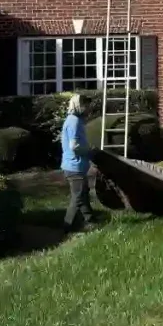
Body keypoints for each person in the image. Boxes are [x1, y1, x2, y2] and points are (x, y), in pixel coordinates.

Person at [61, 93, 95, 231]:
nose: (87, 108)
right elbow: (74, 146)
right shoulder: (73, 121)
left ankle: (90, 219)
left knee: (83, 193)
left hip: (78, 166)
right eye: (85, 105)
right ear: (77, 106)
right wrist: (90, 150)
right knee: (78, 197)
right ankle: (67, 226)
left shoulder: (76, 120)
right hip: (74, 166)